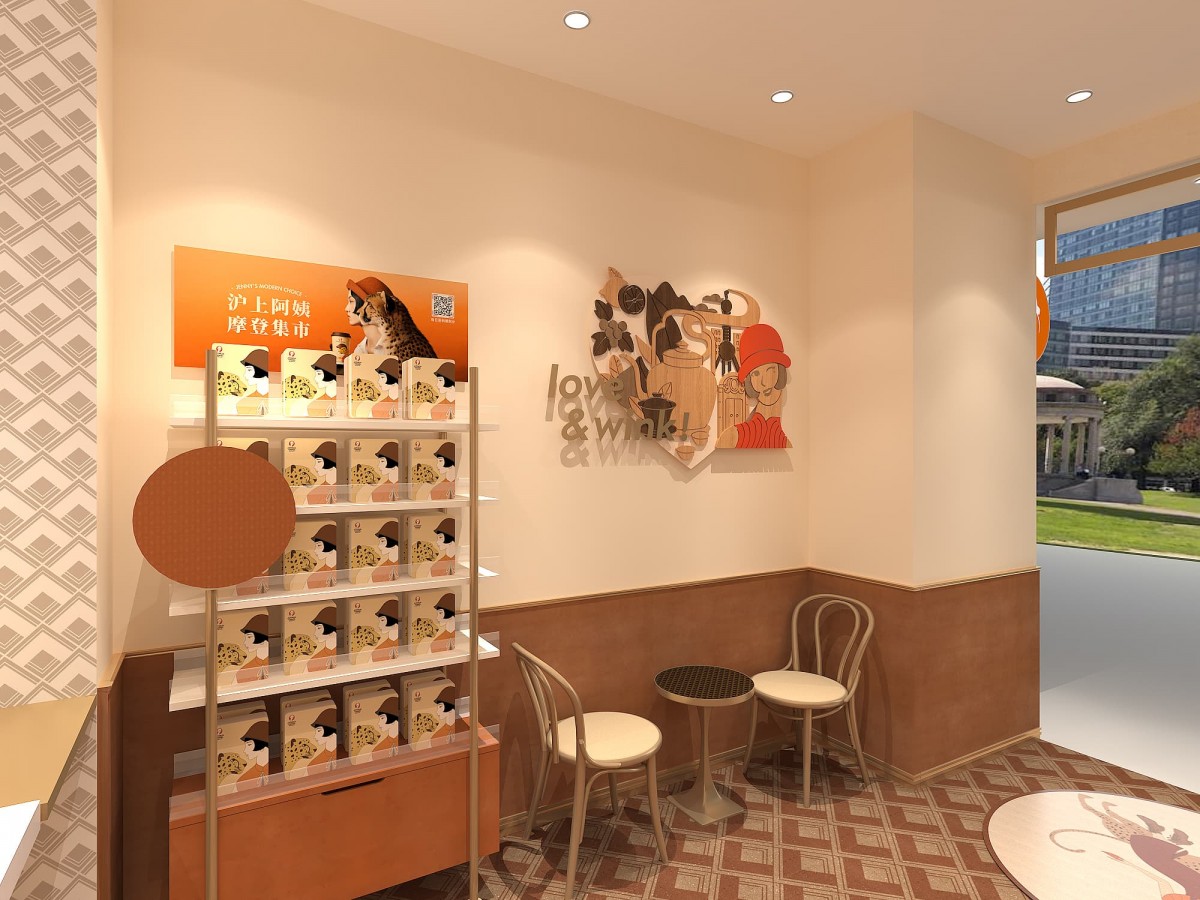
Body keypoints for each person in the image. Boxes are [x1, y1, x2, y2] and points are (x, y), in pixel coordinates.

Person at [716, 323, 791, 449]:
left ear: (780, 372)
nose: (764, 382)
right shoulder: (733, 437)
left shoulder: (783, 442)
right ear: (749, 381)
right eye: (756, 374)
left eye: (770, 370)